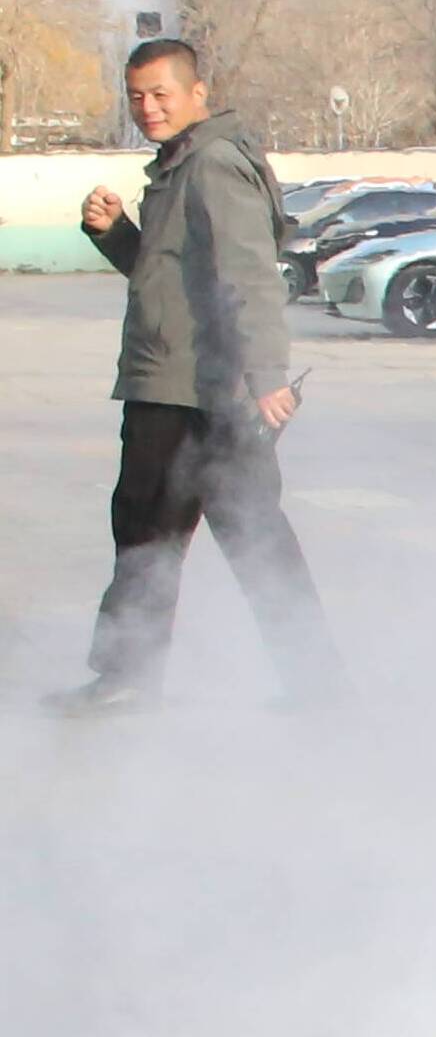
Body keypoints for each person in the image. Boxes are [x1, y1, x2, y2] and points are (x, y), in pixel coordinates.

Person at [46, 38, 343, 715]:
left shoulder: (211, 165)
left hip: (188, 389)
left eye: (161, 94)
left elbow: (247, 275)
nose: (147, 107)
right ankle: (317, 689)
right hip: (192, 381)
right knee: (248, 538)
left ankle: (128, 681)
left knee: (151, 535)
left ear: (197, 92)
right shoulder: (185, 164)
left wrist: (266, 372)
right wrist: (116, 232)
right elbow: (171, 279)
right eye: (136, 96)